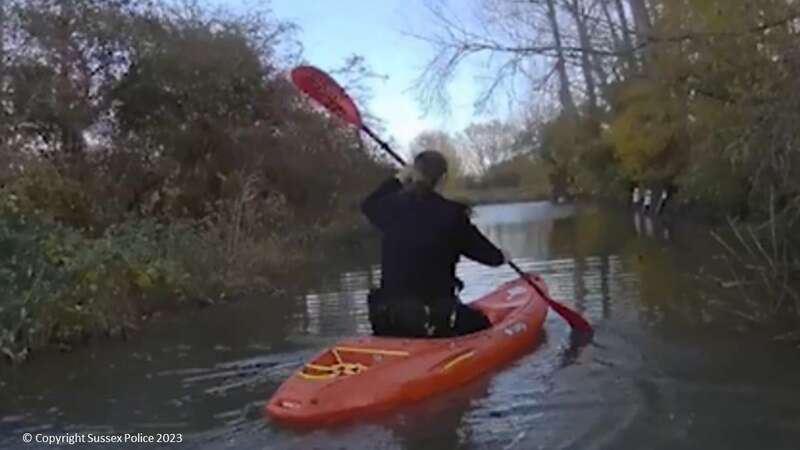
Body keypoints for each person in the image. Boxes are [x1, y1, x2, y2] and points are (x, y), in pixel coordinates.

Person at [361, 150, 506, 338]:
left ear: (413, 174)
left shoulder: (389, 208)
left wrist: (399, 178)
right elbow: (487, 255)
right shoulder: (452, 216)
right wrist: (502, 256)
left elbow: (368, 204)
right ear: (443, 178)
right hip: (433, 322)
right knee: (482, 324)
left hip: (387, 320)